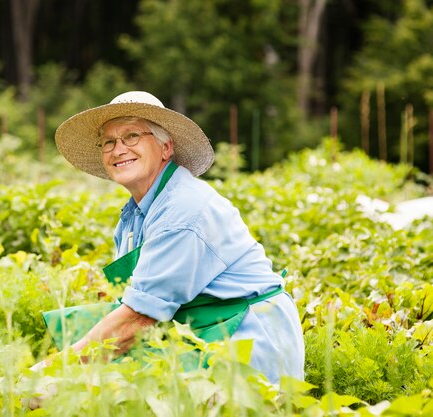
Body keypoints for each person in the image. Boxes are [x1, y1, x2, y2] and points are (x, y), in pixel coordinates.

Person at [32, 91, 304, 384]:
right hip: (199, 325)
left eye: (132, 136)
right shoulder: (135, 215)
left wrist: (52, 370)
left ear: (166, 148)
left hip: (248, 339)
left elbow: (139, 318)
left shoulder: (183, 209)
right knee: (80, 326)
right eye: (108, 142)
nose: (118, 149)